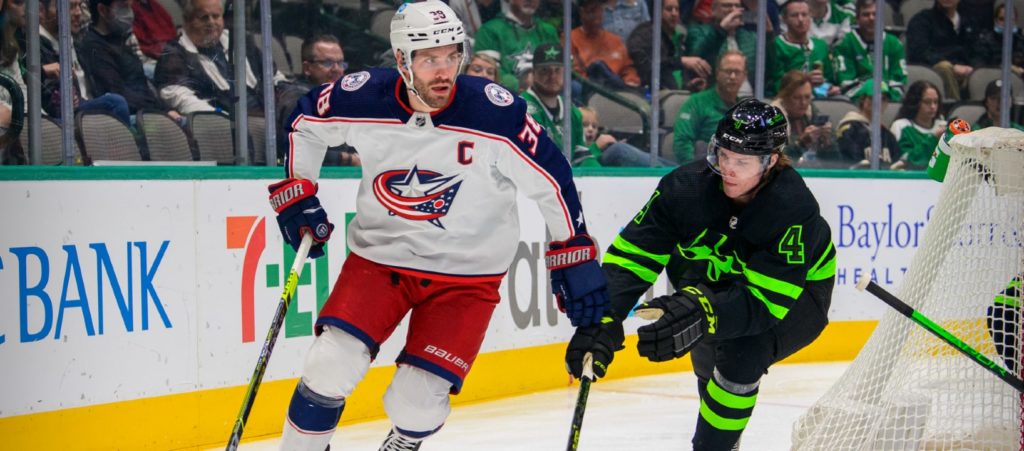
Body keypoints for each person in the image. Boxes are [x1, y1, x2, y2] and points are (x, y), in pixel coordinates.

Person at [271, 2, 610, 449]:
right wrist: (298, 190)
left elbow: (553, 178)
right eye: (430, 59)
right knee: (329, 365)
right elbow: (304, 122)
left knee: (416, 402)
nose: (445, 70)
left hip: (466, 279)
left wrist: (574, 251)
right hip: (379, 261)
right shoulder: (363, 97)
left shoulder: (494, 113)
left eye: (453, 55)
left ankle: (403, 440)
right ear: (401, 60)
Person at [565, 98, 836, 451]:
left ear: (770, 161)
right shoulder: (684, 188)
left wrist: (702, 308)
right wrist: (604, 315)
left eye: (742, 162)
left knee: (743, 350)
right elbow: (632, 258)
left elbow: (764, 303)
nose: (729, 169)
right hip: (712, 280)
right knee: (708, 357)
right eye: (724, 155)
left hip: (799, 295)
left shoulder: (791, 206)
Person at [154, 0, 283, 115]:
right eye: (204, 17)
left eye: (216, 16)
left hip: (267, 116)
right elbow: (179, 97)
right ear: (187, 21)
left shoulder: (239, 41)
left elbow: (275, 77)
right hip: (223, 125)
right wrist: (219, 117)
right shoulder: (174, 54)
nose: (211, 22)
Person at [80, 0, 183, 123]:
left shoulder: (120, 40)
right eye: (123, 7)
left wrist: (166, 109)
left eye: (130, 7)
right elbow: (117, 92)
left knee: (185, 122)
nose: (129, 13)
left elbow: (143, 85)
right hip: (129, 118)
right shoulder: (94, 46)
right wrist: (160, 112)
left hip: (147, 112)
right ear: (103, 10)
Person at [37, 0, 131, 124]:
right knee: (115, 103)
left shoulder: (76, 43)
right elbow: (48, 100)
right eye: (69, 7)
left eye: (79, 6)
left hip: (89, 107)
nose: (78, 13)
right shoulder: (35, 46)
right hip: (63, 117)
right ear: (42, 10)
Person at [275, 35, 359, 166]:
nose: (337, 69)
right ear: (307, 68)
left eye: (340, 63)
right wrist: (347, 159)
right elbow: (298, 151)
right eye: (328, 63)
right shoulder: (298, 101)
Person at [673, 50, 747, 163]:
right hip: (703, 167)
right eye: (728, 71)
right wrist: (695, 171)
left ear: (744, 76)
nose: (732, 77)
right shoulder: (697, 102)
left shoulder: (746, 110)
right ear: (717, 73)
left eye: (737, 72)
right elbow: (682, 142)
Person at [473, 0, 559, 92]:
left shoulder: (548, 31)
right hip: (507, 96)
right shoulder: (489, 30)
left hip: (545, 96)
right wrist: (518, 83)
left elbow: (560, 70)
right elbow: (486, 72)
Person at [627, 0, 712, 91]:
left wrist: (690, 83)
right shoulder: (644, 34)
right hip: (654, 93)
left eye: (677, 9)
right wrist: (681, 61)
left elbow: (678, 71)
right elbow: (648, 67)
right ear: (658, 12)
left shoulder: (680, 34)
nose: (674, 14)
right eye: (669, 9)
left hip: (681, 92)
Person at [832, 0, 907, 101]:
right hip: (856, 103)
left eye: (875, 14)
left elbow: (899, 84)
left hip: (889, 102)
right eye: (866, 15)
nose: (871, 18)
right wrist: (871, 89)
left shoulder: (895, 44)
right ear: (857, 19)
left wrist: (884, 95)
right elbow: (846, 85)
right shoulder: (845, 44)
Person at [905, 0, 977, 102]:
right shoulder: (922, 20)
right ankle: (954, 109)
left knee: (981, 72)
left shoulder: (969, 22)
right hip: (933, 70)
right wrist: (953, 66)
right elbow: (919, 52)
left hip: (965, 71)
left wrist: (971, 68)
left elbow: (979, 51)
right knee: (944, 67)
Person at [767, 0, 838, 98]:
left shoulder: (821, 45)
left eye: (804, 15)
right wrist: (804, 80)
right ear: (784, 19)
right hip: (787, 99)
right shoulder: (776, 45)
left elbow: (829, 80)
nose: (800, 19)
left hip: (820, 100)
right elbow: (777, 85)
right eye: (794, 15)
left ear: (810, 17)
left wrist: (828, 89)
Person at [684, 0, 759, 92]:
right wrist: (721, 30)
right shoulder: (699, 31)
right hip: (715, 93)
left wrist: (769, 36)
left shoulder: (751, 37)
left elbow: (767, 72)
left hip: (749, 95)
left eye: (737, 6)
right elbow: (696, 56)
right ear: (713, 10)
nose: (733, 10)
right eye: (727, 6)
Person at [571, 0, 643, 90]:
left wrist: (630, 80)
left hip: (618, 90)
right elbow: (575, 73)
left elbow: (628, 68)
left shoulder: (615, 40)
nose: (596, 17)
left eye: (599, 10)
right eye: (591, 11)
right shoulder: (571, 39)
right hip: (589, 89)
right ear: (581, 12)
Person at [772, 70, 837, 162]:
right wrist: (800, 144)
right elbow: (774, 161)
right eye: (796, 98)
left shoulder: (812, 112)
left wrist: (827, 143)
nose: (803, 103)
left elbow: (839, 162)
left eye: (807, 97)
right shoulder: (773, 119)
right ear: (784, 97)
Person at [836, 79, 902, 167]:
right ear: (862, 99)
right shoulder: (849, 128)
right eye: (873, 97)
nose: (879, 102)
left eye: (884, 99)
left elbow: (896, 161)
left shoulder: (887, 135)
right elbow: (848, 160)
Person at [891, 80, 946, 169]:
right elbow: (907, 161)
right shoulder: (901, 126)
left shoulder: (943, 126)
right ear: (915, 102)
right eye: (927, 102)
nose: (933, 107)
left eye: (936, 102)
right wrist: (933, 139)